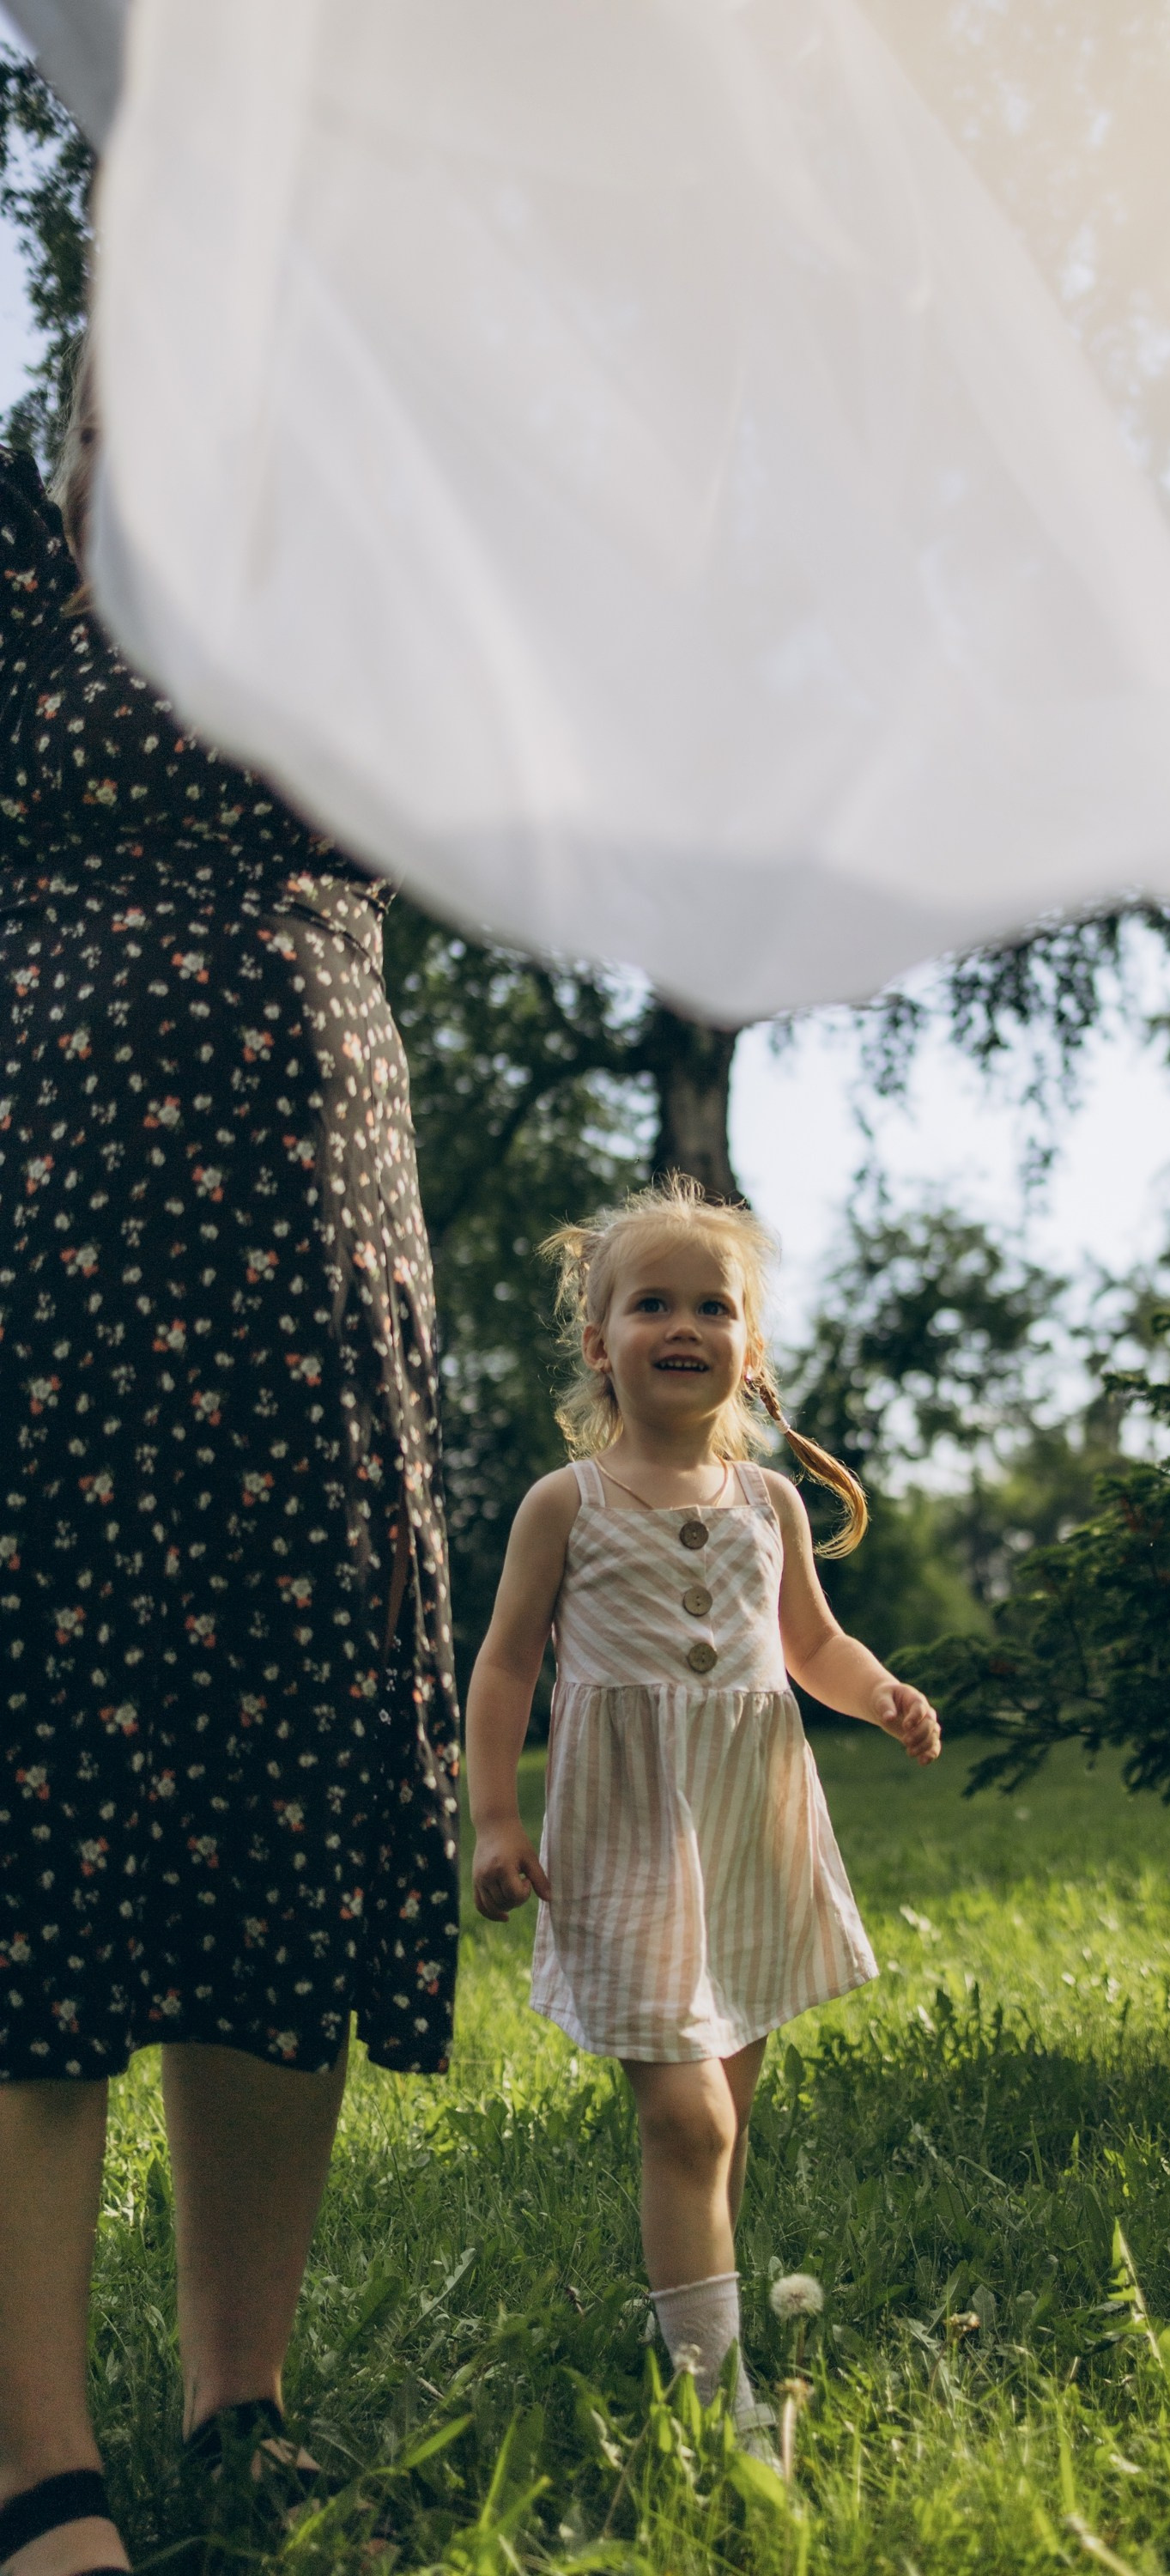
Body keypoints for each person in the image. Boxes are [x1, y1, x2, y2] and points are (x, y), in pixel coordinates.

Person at [0, 359, 461, 2576]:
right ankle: (33, 2463)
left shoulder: (382, 576)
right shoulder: (14, 541)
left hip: (317, 1212)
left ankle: (238, 2401)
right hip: (51, 1217)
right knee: (50, 1793)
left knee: (282, 1773)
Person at [467, 1176, 939, 2427]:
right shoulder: (565, 1504)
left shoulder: (768, 1504)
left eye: (713, 1305)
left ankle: (695, 2313)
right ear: (600, 1345)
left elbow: (811, 1646)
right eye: (652, 1304)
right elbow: (507, 1663)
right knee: (685, 2119)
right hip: (626, 1837)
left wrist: (881, 1692)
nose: (685, 1325)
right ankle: (714, 2393)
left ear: (749, 1346)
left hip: (747, 1834)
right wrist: (497, 1819)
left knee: (722, 2116)